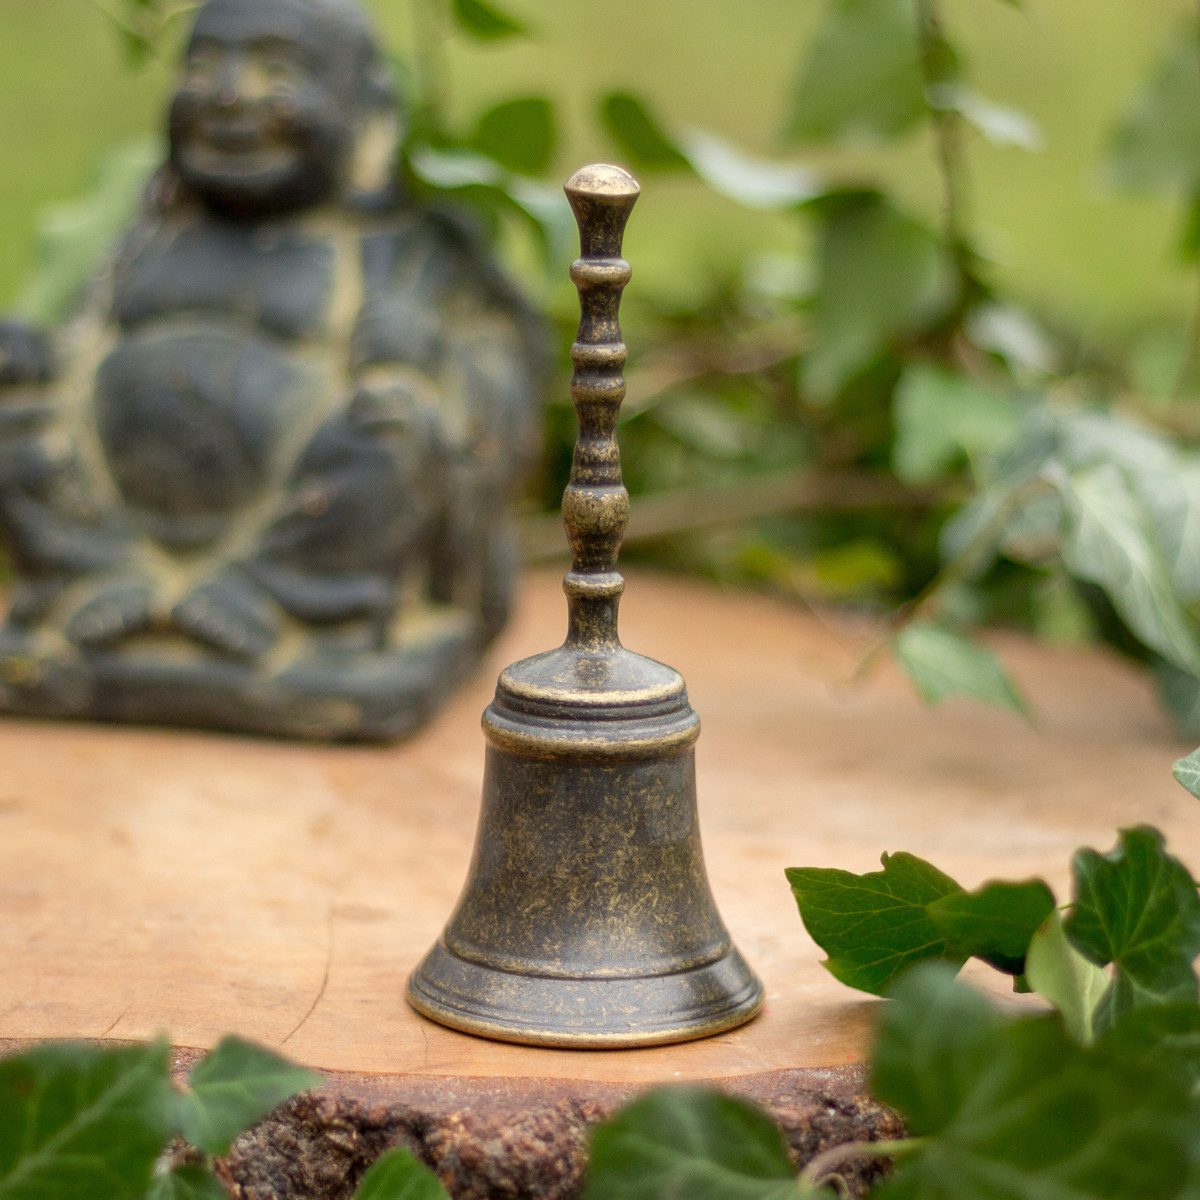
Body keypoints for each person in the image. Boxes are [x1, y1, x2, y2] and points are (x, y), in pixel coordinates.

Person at [0, 0, 545, 740]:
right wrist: (31, 360)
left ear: (367, 110)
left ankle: (273, 600)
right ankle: (100, 578)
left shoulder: (402, 252)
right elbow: (77, 340)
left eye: (278, 71)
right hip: (112, 516)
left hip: (310, 541)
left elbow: (500, 391)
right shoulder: (141, 235)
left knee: (397, 421)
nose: (229, 94)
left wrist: (432, 359)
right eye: (202, 65)